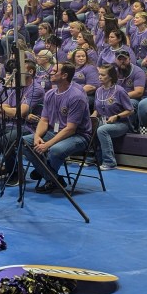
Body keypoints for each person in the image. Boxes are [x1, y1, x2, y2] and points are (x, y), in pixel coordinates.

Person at [29, 61, 92, 194]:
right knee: (24, 142)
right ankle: (53, 178)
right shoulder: (50, 94)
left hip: (78, 136)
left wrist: (47, 144)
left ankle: (46, 173)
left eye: (54, 71)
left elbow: (71, 129)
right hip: (55, 131)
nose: (50, 72)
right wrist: (37, 136)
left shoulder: (76, 96)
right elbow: (44, 120)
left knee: (55, 150)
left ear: (64, 75)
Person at [93, 65, 133, 171]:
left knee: (102, 130)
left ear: (110, 76)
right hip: (103, 120)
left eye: (103, 75)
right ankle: (94, 158)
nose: (99, 77)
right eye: (99, 74)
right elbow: (97, 109)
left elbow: (130, 110)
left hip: (120, 123)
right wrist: (92, 117)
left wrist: (117, 116)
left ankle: (110, 162)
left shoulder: (119, 91)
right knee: (91, 126)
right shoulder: (98, 91)